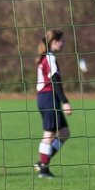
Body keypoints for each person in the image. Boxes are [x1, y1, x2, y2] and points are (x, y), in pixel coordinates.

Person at [33, 28, 73, 179]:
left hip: (47, 98)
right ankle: (43, 170)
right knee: (49, 134)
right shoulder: (49, 57)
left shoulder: (48, 57)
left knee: (64, 133)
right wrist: (65, 101)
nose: (64, 44)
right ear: (54, 42)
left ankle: (42, 162)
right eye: (62, 41)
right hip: (48, 97)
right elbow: (55, 81)